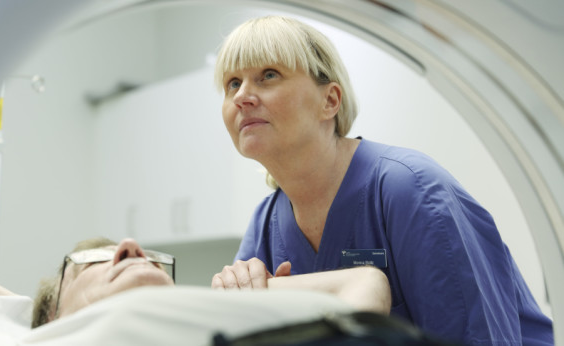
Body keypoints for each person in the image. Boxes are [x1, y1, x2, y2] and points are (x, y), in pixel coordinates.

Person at [209, 15, 553, 346]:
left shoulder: (411, 189)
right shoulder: (265, 223)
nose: (242, 96)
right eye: (232, 84)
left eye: (268, 75)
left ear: (330, 101)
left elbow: (475, 337)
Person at [0, 236, 412, 345]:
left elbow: (365, 283)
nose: (130, 247)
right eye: (92, 261)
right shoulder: (6, 339)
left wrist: (244, 294)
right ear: (54, 313)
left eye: (152, 260)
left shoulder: (213, 319)